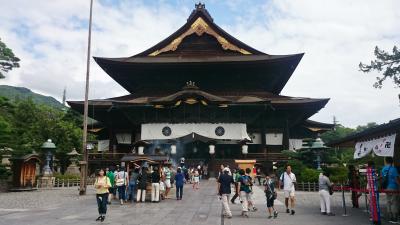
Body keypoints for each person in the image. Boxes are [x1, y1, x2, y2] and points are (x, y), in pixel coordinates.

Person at [381, 157, 400, 223]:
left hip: (386, 188)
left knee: (388, 201)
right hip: (393, 187)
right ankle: (395, 217)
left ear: (386, 161)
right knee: (394, 202)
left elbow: (382, 178)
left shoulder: (383, 169)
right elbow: (396, 179)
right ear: (392, 162)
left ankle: (390, 216)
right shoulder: (393, 169)